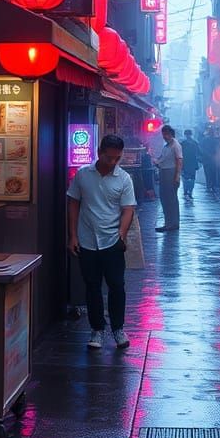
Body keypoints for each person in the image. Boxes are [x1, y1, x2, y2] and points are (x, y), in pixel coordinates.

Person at [67, 134, 136, 349]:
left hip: (112, 241)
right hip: (87, 240)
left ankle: (117, 329)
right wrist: (73, 235)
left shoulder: (124, 179)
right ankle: (96, 329)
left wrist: (121, 235)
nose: (113, 162)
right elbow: (73, 203)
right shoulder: (83, 175)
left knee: (117, 285)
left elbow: (128, 209)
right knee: (92, 286)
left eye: (117, 158)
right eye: (109, 158)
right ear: (99, 153)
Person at [154, 125, 182, 232]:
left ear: (171, 134)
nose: (165, 136)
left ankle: (173, 223)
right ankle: (168, 222)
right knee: (164, 198)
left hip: (171, 173)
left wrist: (177, 176)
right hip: (164, 172)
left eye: (167, 134)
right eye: (163, 134)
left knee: (171, 199)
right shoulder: (167, 146)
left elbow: (179, 160)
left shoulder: (176, 145)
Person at [180, 129, 202, 200]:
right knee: (192, 178)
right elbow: (199, 152)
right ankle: (190, 192)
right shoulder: (195, 143)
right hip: (192, 163)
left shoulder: (183, 143)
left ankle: (186, 191)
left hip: (185, 163)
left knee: (185, 178)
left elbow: (179, 153)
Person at [199, 124, 219, 195]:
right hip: (213, 160)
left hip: (206, 160)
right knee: (213, 173)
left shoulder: (204, 140)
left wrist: (205, 155)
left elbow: (201, 149)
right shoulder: (215, 140)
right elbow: (218, 149)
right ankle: (212, 186)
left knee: (207, 174)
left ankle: (208, 186)